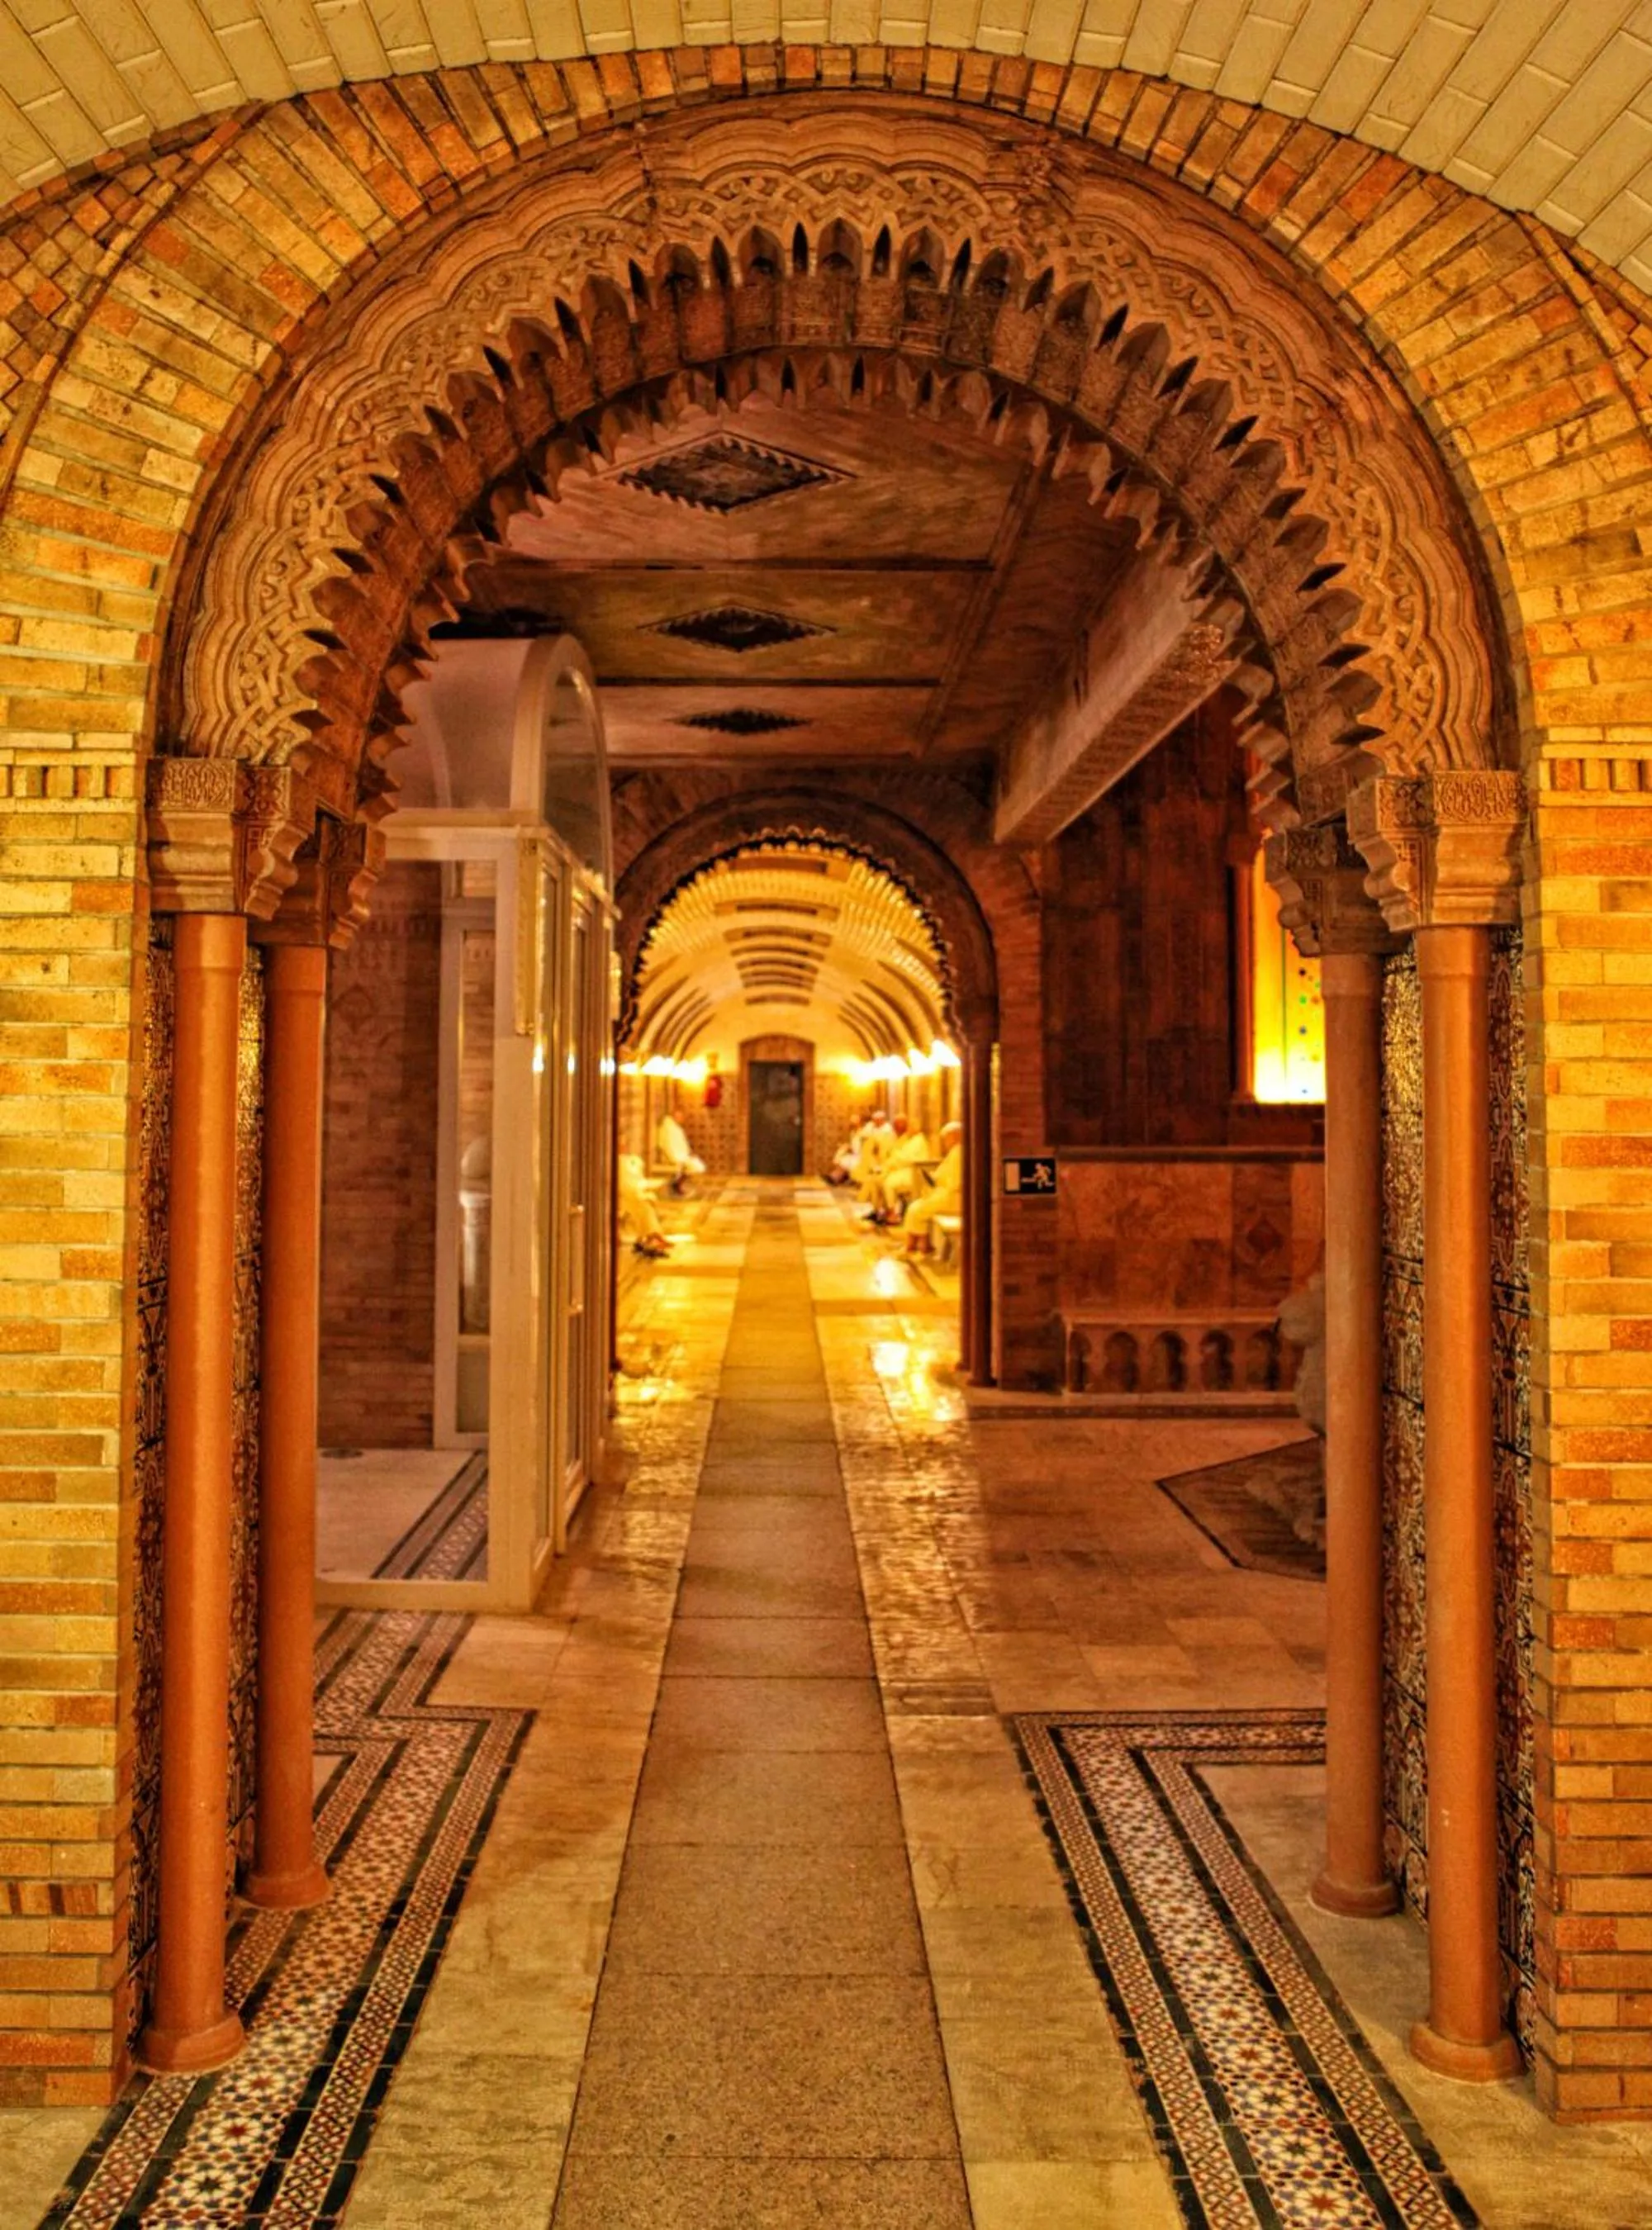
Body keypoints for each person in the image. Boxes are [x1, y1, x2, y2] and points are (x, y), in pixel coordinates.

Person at [903, 1121, 963, 1254]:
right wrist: (933, 1178)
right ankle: (921, 1244)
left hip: (953, 1197)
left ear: (955, 1136)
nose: (945, 1143)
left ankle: (916, 1245)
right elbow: (943, 1174)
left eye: (947, 1139)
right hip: (946, 1194)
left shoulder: (958, 1153)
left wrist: (936, 1182)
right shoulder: (955, 1152)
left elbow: (955, 1182)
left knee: (916, 1210)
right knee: (915, 1208)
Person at [871, 1115, 933, 1222]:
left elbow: (905, 1159)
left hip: (914, 1173)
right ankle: (882, 1211)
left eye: (909, 1126)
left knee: (889, 1182)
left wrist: (893, 1155)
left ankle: (892, 1213)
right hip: (906, 1170)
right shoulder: (912, 1140)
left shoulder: (918, 1141)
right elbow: (900, 1156)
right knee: (879, 1179)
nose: (907, 1129)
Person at [618, 1152, 671, 1259]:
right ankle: (653, 1237)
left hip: (630, 1193)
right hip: (622, 1195)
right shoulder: (619, 1162)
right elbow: (626, 1185)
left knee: (645, 1204)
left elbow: (634, 1183)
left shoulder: (629, 1160)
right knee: (643, 1204)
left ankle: (651, 1237)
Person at [657, 1108, 706, 1195]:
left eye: (682, 1117)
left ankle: (677, 1184)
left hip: (680, 1154)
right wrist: (678, 1156)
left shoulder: (676, 1128)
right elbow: (669, 1145)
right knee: (692, 1165)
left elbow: (681, 1143)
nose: (681, 1119)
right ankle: (676, 1185)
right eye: (679, 1117)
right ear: (674, 1116)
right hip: (672, 1155)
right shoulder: (669, 1128)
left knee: (695, 1164)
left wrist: (688, 1153)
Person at [852, 1109, 895, 1206]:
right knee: (865, 1165)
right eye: (874, 1120)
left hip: (882, 1156)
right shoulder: (871, 1126)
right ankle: (867, 1194)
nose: (875, 1122)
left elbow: (886, 1144)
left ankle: (871, 1197)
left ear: (882, 1120)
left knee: (873, 1172)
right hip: (871, 1154)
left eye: (878, 1120)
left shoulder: (888, 1129)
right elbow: (863, 1135)